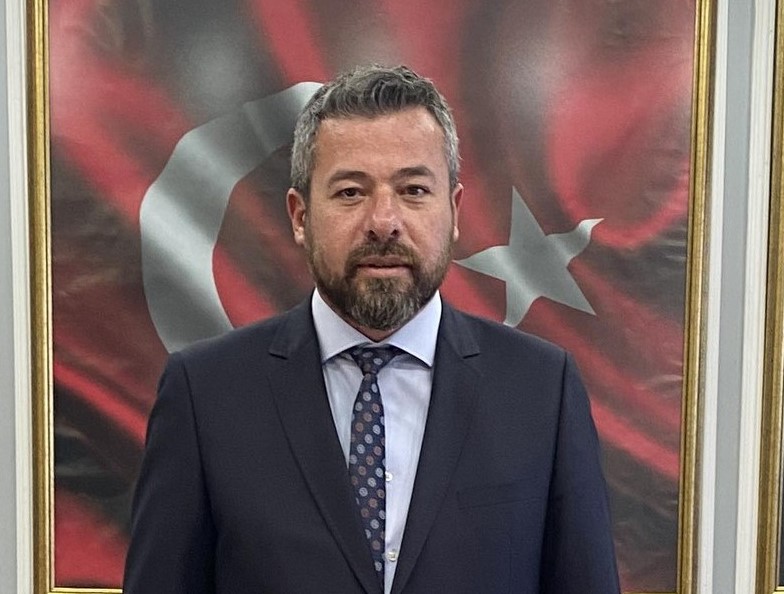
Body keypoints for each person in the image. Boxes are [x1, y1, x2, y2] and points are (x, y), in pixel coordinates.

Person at [123, 64, 620, 594]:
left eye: (413, 189)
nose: (384, 221)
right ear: (299, 216)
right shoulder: (205, 394)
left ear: (454, 211)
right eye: (350, 193)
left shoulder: (541, 389)